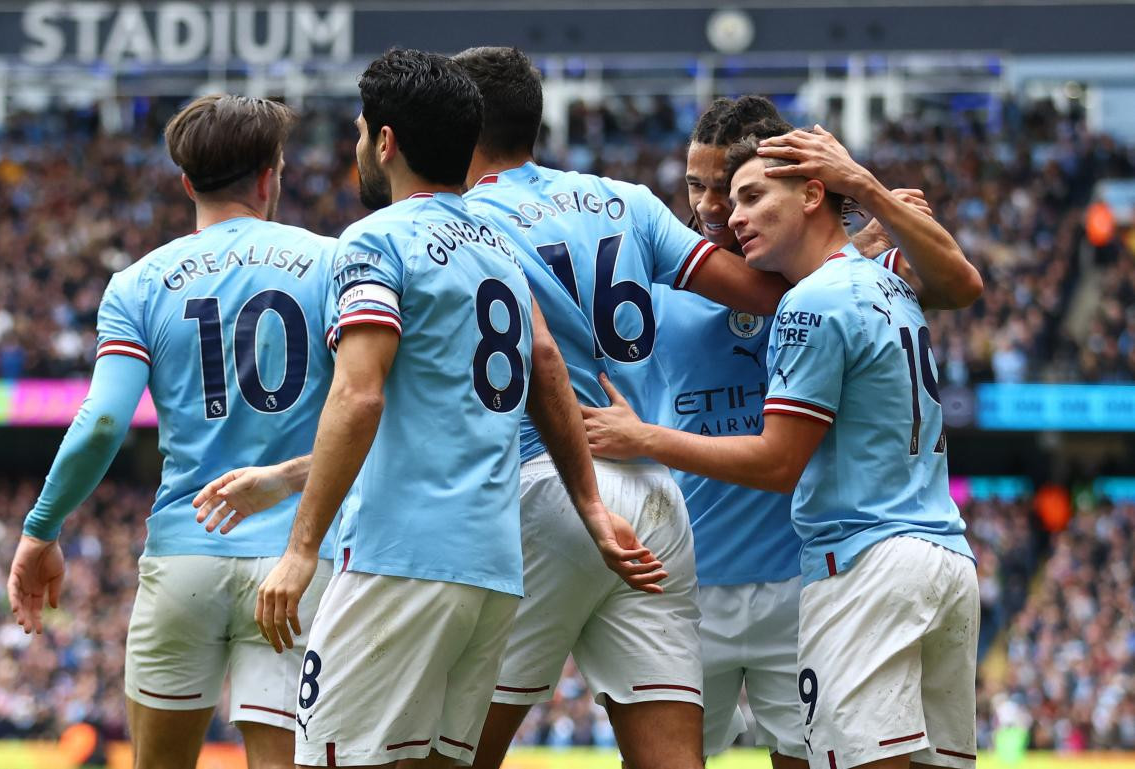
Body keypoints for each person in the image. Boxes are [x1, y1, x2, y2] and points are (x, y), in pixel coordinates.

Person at [246, 49, 663, 769]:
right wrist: (590, 506)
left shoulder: (375, 240)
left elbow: (360, 392)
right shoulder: (497, 244)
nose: (355, 146)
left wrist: (301, 545)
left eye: (357, 131)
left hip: (397, 558)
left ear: (385, 142)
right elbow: (546, 363)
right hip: (491, 571)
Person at [584, 97, 982, 768]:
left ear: (798, 186)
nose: (713, 206)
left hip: (805, 576)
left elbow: (958, 283)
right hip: (687, 576)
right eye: (697, 185)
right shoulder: (656, 283)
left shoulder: (824, 282)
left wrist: (869, 209)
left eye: (734, 188)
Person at [450, 47, 790, 769]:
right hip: (653, 500)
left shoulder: (455, 221)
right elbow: (768, 292)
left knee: (455, 748)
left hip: (540, 486)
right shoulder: (625, 201)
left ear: (463, 124)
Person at [7, 94, 341, 769]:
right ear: (270, 176)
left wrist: (41, 529)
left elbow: (103, 422)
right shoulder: (336, 263)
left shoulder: (138, 284)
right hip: (299, 558)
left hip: (186, 551)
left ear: (187, 182)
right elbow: (371, 403)